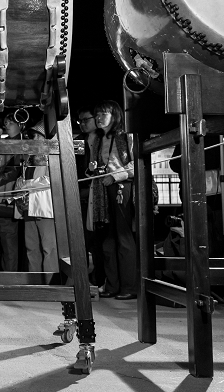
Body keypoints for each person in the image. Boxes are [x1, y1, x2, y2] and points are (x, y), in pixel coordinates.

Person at [89, 100, 137, 300]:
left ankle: (129, 287)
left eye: (103, 114)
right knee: (107, 238)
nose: (99, 118)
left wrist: (116, 176)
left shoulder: (126, 135)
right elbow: (97, 166)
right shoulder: (98, 139)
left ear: (115, 115)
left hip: (122, 187)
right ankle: (112, 284)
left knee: (123, 237)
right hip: (102, 188)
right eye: (97, 114)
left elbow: (137, 164)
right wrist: (93, 168)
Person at [169, 135, 224, 259]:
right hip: (218, 198)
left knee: (196, 234)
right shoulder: (216, 142)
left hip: (193, 197)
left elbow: (174, 164)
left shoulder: (185, 140)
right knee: (222, 234)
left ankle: (198, 260)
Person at [17, 121, 58, 272]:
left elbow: (50, 180)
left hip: (45, 208)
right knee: (31, 248)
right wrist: (20, 185)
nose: (32, 138)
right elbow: (23, 179)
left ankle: (50, 284)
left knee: (49, 248)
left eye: (35, 135)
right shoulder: (29, 158)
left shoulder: (52, 156)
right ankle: (35, 282)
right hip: (28, 207)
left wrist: (26, 184)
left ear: (44, 138)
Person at [0, 113, 23, 271]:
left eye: (10, 122)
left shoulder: (22, 144)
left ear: (21, 124)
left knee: (8, 248)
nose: (6, 124)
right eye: (5, 122)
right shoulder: (1, 144)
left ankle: (8, 280)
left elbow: (12, 171)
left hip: (6, 201)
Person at [76, 105, 104, 289]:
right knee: (82, 241)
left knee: (100, 241)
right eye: (80, 121)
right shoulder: (78, 141)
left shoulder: (105, 139)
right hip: (82, 192)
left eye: (86, 120)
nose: (82, 124)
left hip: (101, 194)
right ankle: (83, 279)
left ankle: (101, 279)